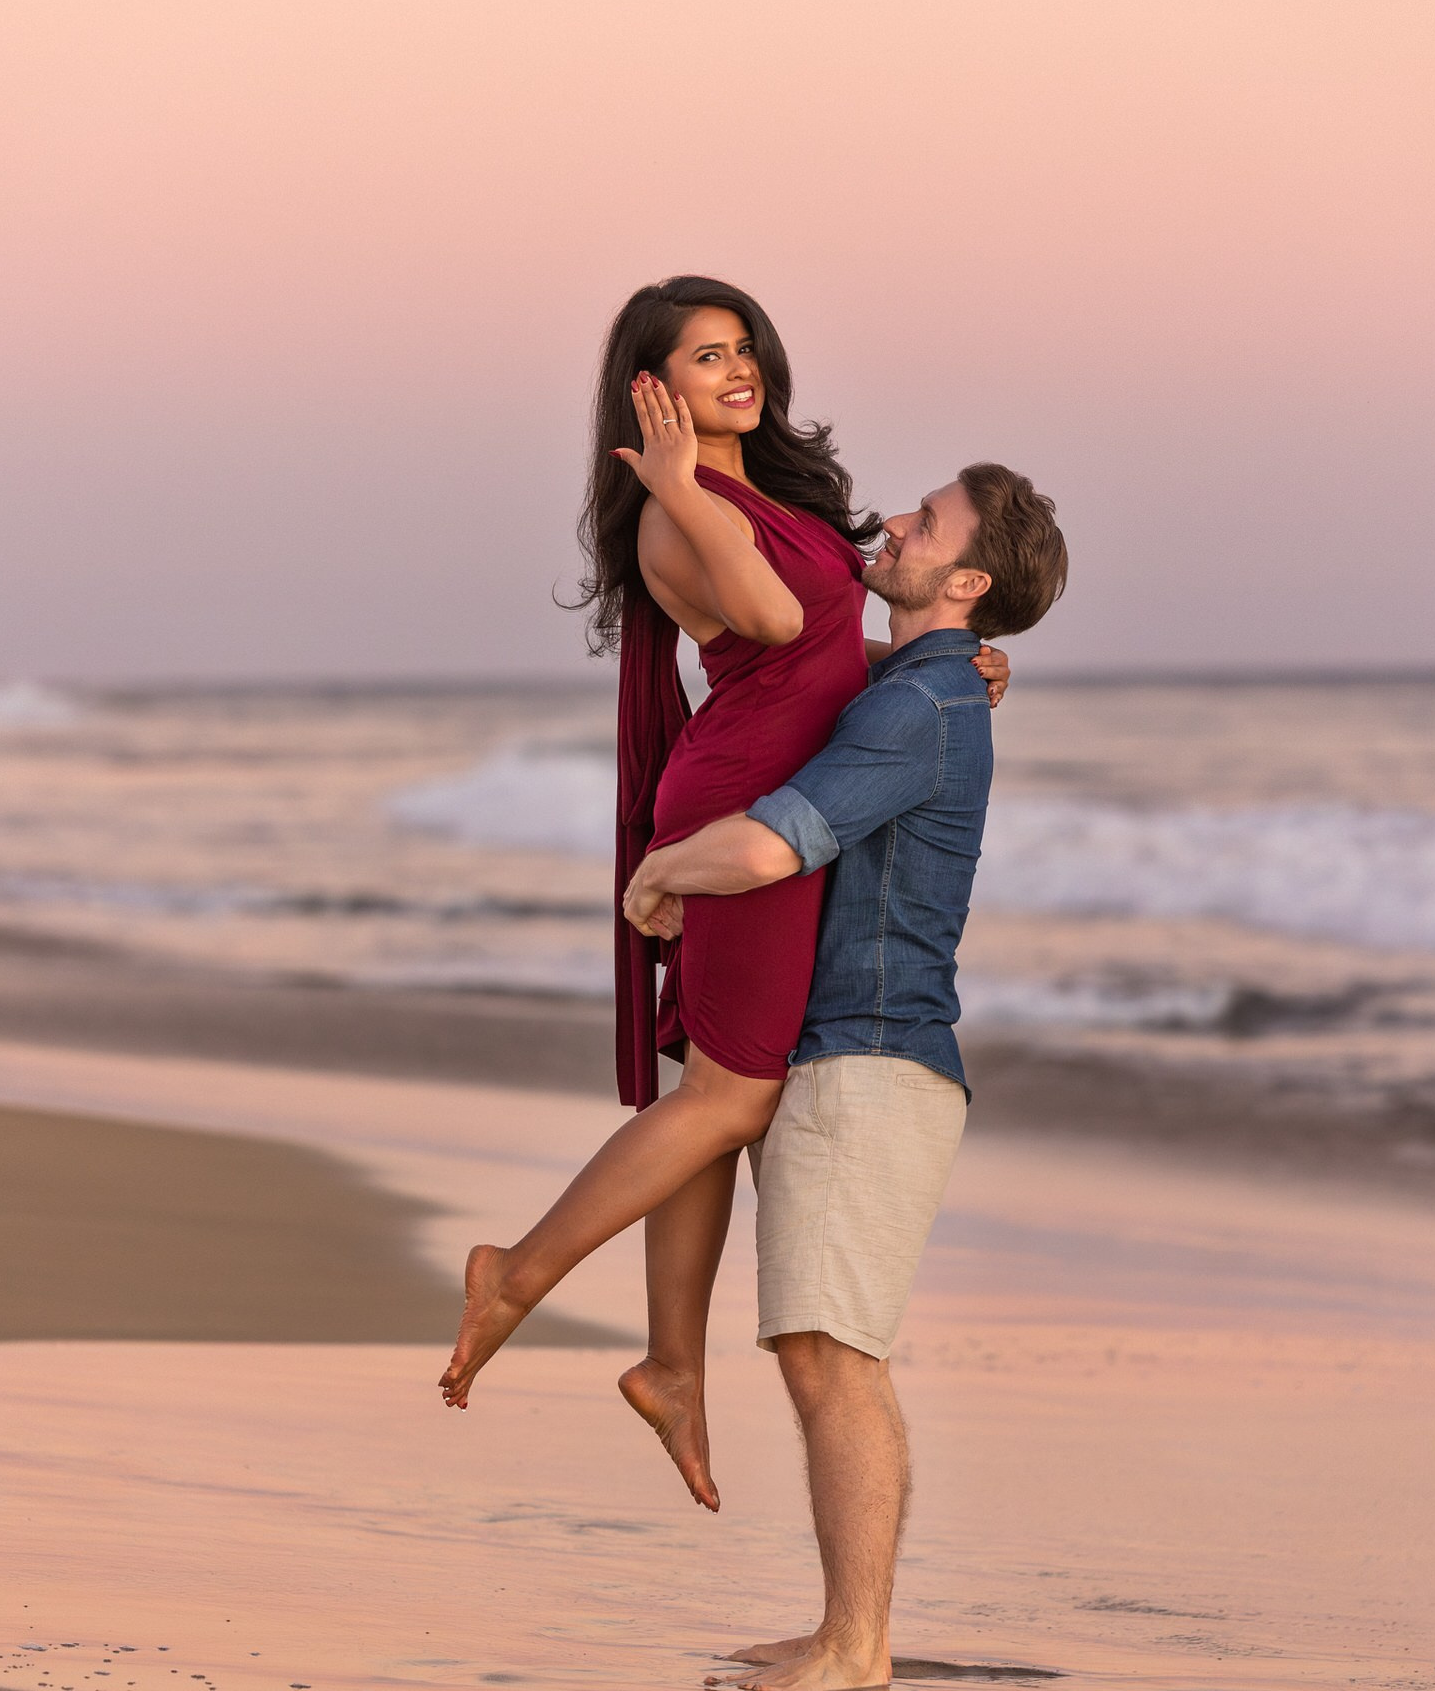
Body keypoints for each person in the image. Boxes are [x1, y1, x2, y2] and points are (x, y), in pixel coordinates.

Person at [437, 279, 1009, 1516]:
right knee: (736, 1091)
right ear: (655, 390)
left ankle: (673, 1366)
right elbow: (763, 612)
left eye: (742, 347)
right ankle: (518, 1273)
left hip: (764, 778)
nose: (736, 370)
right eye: (704, 357)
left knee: (712, 1083)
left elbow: (810, 648)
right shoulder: (671, 516)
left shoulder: (765, 495)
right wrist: (680, 485)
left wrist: (944, 661)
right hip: (745, 799)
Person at [622, 462, 1068, 1691]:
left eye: (927, 525)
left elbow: (778, 841)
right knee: (824, 1350)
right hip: (848, 1052)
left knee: (832, 1353)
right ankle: (840, 1630)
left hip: (871, 1058)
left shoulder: (921, 708)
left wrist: (661, 878)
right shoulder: (921, 689)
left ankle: (856, 1645)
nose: (893, 525)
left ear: (966, 580)